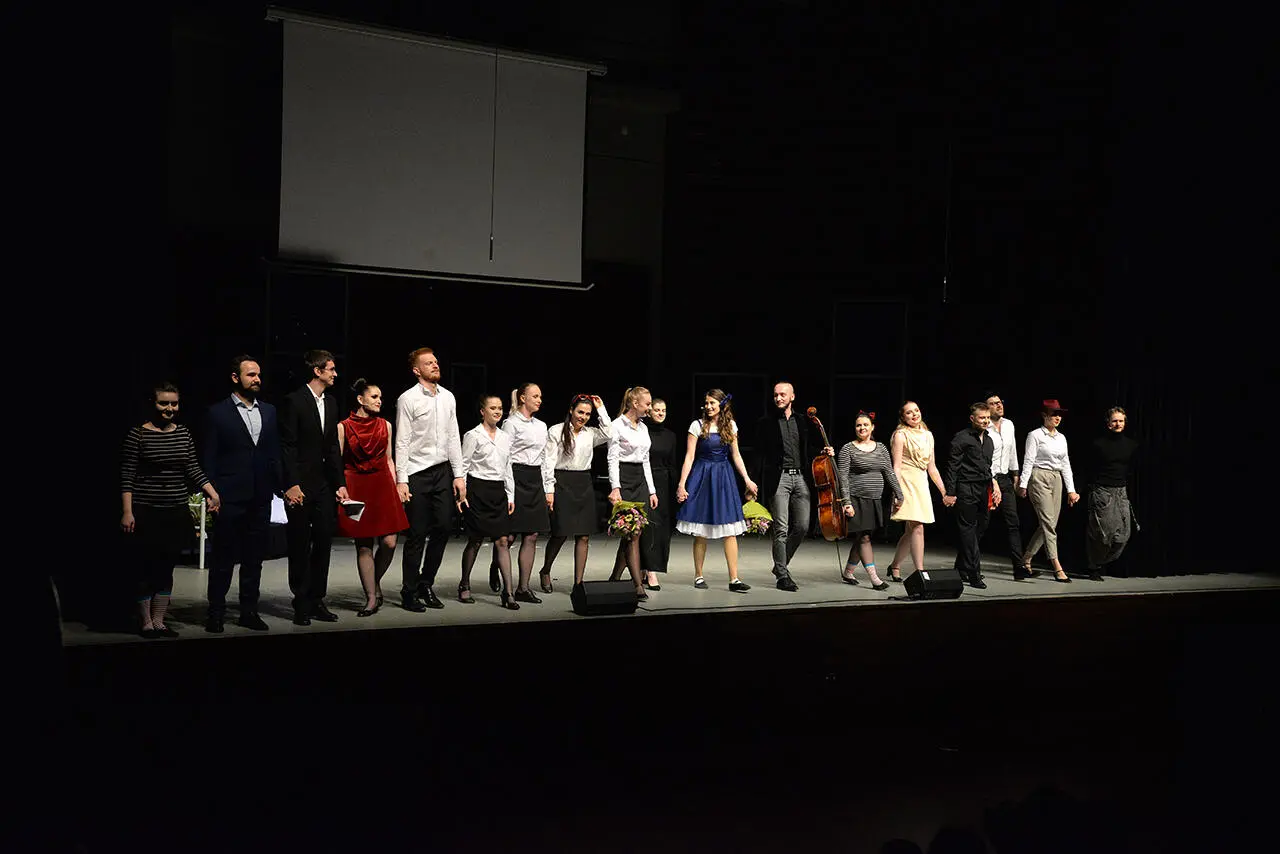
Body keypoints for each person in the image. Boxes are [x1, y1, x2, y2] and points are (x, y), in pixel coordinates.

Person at [120, 382, 221, 638]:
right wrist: (127, 511)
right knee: (145, 567)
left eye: (174, 403)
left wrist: (212, 492)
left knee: (166, 568)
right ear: (152, 404)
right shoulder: (138, 435)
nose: (169, 408)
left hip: (175, 511)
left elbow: (192, 467)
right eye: (163, 403)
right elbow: (127, 476)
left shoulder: (183, 433)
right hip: (146, 511)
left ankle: (159, 620)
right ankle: (145, 621)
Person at [202, 355, 280, 633]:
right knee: (223, 559)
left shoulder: (269, 411)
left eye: (258, 374)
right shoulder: (217, 413)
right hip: (229, 496)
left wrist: (281, 485)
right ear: (235, 378)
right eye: (251, 375)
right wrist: (211, 492)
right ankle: (216, 612)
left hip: (260, 496)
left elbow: (273, 452)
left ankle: (249, 611)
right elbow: (209, 456)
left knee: (254, 560)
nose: (257, 379)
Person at [279, 350, 350, 625]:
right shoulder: (294, 401)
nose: (335, 374)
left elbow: (332, 447)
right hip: (300, 484)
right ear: (317, 371)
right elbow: (288, 446)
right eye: (331, 369)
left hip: (323, 485)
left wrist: (340, 484)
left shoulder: (330, 402)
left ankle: (317, 599)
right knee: (299, 542)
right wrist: (291, 484)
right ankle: (301, 602)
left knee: (323, 541)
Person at [395, 347, 465, 612]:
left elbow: (453, 436)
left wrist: (459, 475)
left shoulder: (448, 397)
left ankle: (426, 583)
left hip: (441, 471)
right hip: (416, 472)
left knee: (445, 527)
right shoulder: (408, 399)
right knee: (416, 533)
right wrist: (402, 480)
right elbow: (402, 441)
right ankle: (409, 590)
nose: (435, 365)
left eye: (436, 361)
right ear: (416, 370)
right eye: (428, 363)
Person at [749, 382, 833, 592]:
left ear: (792, 397)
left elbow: (807, 448)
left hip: (801, 478)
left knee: (803, 526)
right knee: (781, 529)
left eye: (782, 395)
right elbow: (758, 454)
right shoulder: (766, 423)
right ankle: (782, 576)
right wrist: (751, 482)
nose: (778, 398)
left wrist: (823, 451)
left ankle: (780, 564)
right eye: (775, 395)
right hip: (779, 479)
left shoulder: (803, 421)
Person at [337, 379, 409, 616]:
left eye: (380, 397)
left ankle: (374, 581)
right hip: (357, 485)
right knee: (364, 545)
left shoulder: (385, 425)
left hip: (382, 484)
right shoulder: (344, 427)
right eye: (374, 397)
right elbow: (338, 462)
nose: (379, 401)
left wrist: (397, 485)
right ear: (360, 399)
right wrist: (341, 488)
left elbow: (388, 459)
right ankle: (371, 596)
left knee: (389, 542)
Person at [676, 389, 759, 592]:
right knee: (701, 529)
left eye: (712, 403)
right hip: (702, 476)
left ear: (722, 405)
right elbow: (689, 456)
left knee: (730, 529)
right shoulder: (697, 425)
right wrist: (682, 484)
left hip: (723, 477)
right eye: (706, 403)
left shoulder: (730, 425)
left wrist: (747, 479)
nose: (709, 406)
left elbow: (736, 455)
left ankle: (734, 579)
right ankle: (698, 575)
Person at [539, 394, 611, 589]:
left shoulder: (590, 433)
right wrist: (549, 490)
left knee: (584, 535)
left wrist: (600, 408)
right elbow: (548, 462)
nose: (583, 417)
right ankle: (545, 570)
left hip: (583, 482)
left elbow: (609, 433)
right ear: (571, 410)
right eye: (580, 412)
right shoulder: (556, 431)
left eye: (587, 414)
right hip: (562, 482)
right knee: (560, 533)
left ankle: (579, 583)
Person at [456, 395, 519, 609]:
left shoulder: (505, 437)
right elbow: (463, 466)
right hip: (478, 490)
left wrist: (510, 495)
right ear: (483, 411)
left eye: (500, 408)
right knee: (475, 540)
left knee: (502, 541)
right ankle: (464, 583)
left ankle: (508, 592)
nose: (497, 411)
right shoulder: (473, 435)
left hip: (498, 491)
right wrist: (461, 494)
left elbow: (508, 467)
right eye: (493, 408)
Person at [493, 383, 550, 604]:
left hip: (534, 478)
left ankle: (523, 588)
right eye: (535, 396)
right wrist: (508, 490)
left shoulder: (541, 425)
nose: (539, 400)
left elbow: (544, 457)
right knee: (509, 536)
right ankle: (497, 565)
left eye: (541, 396)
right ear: (523, 398)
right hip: (515, 476)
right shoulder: (511, 423)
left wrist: (547, 488)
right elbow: (504, 457)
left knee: (532, 535)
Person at [836, 411, 902, 590]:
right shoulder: (848, 448)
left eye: (865, 424)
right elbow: (842, 477)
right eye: (858, 425)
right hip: (856, 499)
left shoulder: (881, 448)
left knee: (862, 537)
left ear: (872, 427)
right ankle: (874, 579)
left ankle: (848, 571)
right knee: (864, 537)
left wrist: (899, 493)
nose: (862, 428)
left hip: (874, 499)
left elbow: (889, 472)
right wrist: (846, 502)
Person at [607, 386, 659, 600]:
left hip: (640, 481)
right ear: (635, 404)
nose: (650, 408)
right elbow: (612, 458)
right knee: (632, 533)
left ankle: (614, 578)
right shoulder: (617, 425)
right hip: (624, 478)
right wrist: (615, 487)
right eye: (647, 404)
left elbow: (646, 460)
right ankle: (638, 584)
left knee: (633, 533)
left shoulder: (644, 428)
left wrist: (652, 490)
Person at [1018, 399, 1078, 583]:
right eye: (1054, 414)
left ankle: (1026, 559)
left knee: (1049, 524)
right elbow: (1028, 460)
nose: (1058, 418)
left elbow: (1065, 464)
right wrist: (1023, 483)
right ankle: (1056, 566)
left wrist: (1071, 490)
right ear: (1044, 415)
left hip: (1056, 479)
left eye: (1060, 414)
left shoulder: (1061, 438)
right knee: (1048, 524)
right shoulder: (1035, 435)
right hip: (1039, 477)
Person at [886, 401, 947, 582]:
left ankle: (895, 565)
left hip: (921, 483)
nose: (914, 414)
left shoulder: (928, 435)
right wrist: (897, 492)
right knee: (918, 527)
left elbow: (932, 468)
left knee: (910, 531)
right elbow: (896, 467)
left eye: (917, 410)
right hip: (906, 483)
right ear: (903, 417)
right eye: (909, 412)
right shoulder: (900, 435)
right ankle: (920, 573)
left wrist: (944, 491)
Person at [943, 403, 1002, 589]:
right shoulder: (962, 438)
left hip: (983, 488)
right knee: (968, 530)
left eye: (987, 418)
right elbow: (952, 467)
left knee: (981, 527)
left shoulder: (989, 440)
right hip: (966, 487)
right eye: (981, 417)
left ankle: (961, 567)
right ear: (972, 418)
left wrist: (994, 486)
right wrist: (950, 492)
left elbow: (988, 467)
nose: (985, 421)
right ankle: (974, 573)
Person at [1085, 407, 1139, 580]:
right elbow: (1088, 469)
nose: (1118, 424)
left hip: (1121, 491)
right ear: (1108, 423)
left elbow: (1131, 469)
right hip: (1103, 491)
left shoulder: (1131, 445)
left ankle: (1100, 563)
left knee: (1123, 536)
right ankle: (1093, 566)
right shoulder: (1098, 445)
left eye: (1121, 421)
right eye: (1114, 421)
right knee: (1102, 535)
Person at [984, 392, 1032, 579]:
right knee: (982, 523)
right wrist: (992, 480)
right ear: (986, 407)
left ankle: (1019, 567)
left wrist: (1016, 475)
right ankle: (964, 565)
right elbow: (983, 457)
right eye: (993, 403)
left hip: (1005, 478)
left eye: (1000, 402)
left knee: (1013, 523)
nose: (999, 405)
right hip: (987, 479)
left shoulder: (1009, 424)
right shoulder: (984, 427)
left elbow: (1012, 451)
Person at [641, 397, 678, 589]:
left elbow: (673, 464)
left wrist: (678, 487)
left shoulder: (670, 436)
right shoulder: (642, 432)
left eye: (663, 410)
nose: (661, 413)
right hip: (645, 481)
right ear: (649, 412)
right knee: (648, 527)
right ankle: (650, 570)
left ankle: (651, 567)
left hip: (664, 484)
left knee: (662, 528)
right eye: (657, 410)